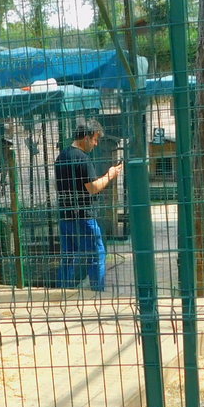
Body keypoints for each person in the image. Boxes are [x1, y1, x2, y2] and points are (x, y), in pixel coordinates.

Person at [53, 118, 123, 290]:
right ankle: (98, 292)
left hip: (66, 214)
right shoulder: (83, 158)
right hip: (84, 216)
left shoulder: (61, 156)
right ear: (86, 137)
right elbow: (92, 188)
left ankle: (61, 292)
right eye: (95, 139)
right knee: (96, 255)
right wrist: (110, 174)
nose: (96, 144)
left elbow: (57, 185)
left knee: (68, 256)